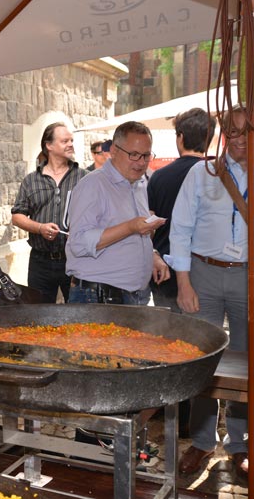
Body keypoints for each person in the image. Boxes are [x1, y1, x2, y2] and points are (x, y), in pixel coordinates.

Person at [168, 106, 249, 480]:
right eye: (231, 132)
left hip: (247, 277)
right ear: (223, 136)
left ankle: (241, 442)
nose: (238, 139)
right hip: (203, 272)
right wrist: (183, 282)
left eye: (245, 132)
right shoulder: (203, 173)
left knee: (247, 362)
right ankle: (201, 441)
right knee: (202, 358)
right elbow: (180, 228)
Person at [66, 121, 170, 305]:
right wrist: (131, 227)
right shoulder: (93, 185)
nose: (141, 163)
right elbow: (79, 243)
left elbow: (132, 236)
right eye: (134, 155)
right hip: (98, 298)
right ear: (114, 150)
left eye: (146, 155)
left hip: (133, 296)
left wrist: (151, 255)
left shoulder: (138, 184)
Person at [148, 108, 215, 313]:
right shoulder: (216, 175)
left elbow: (149, 225)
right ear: (209, 139)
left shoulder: (159, 177)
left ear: (180, 138)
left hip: (166, 271)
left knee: (169, 336)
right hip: (207, 270)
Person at [11, 122, 86, 303]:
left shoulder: (84, 177)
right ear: (49, 145)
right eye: (64, 141)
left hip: (75, 259)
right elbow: (17, 216)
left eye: (71, 140)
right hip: (40, 262)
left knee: (79, 316)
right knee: (39, 317)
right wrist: (40, 228)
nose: (70, 144)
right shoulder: (31, 180)